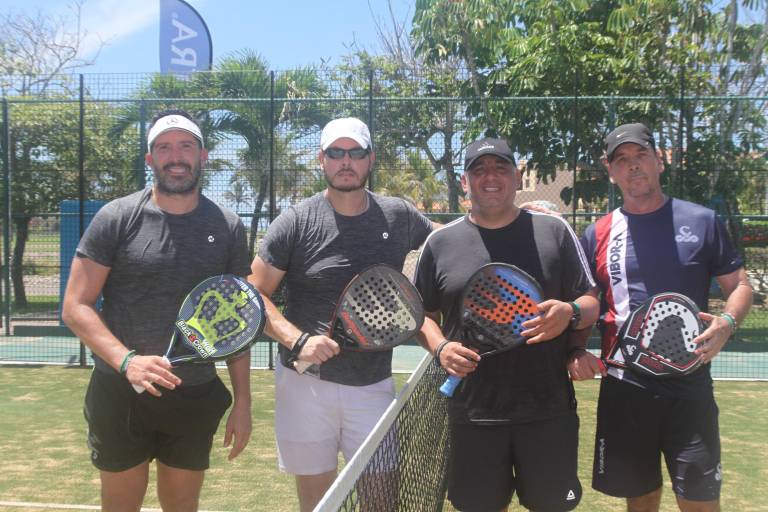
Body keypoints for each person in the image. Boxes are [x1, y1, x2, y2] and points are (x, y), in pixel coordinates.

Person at [62, 109, 253, 512]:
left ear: (203, 155)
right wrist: (126, 361)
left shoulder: (230, 227)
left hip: (193, 393)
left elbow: (235, 323)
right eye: (164, 148)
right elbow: (75, 306)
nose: (175, 156)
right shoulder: (116, 217)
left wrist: (244, 402)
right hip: (120, 393)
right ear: (150, 160)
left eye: (185, 146)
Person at [249, 117, 439, 511]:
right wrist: (296, 339)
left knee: (380, 502)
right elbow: (253, 292)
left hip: (372, 384)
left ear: (370, 159)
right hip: (305, 386)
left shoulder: (399, 216)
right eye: (336, 152)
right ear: (322, 160)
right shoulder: (296, 221)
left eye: (356, 152)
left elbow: (450, 242)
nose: (346, 161)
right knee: (320, 503)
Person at [569, 123, 754, 512]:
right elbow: (586, 301)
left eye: (641, 157)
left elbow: (739, 285)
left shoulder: (702, 221)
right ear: (611, 170)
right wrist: (573, 350)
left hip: (689, 386)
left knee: (701, 500)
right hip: (625, 385)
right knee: (641, 497)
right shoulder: (597, 233)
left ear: (660, 160)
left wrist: (728, 323)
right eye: (623, 160)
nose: (633, 167)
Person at [415, 136, 600, 512]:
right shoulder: (439, 243)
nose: (491, 177)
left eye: (501, 168)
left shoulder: (554, 231)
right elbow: (421, 315)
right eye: (479, 170)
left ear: (517, 176)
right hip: (472, 414)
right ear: (465, 182)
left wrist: (570, 313)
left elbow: (591, 300)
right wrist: (441, 347)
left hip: (547, 410)